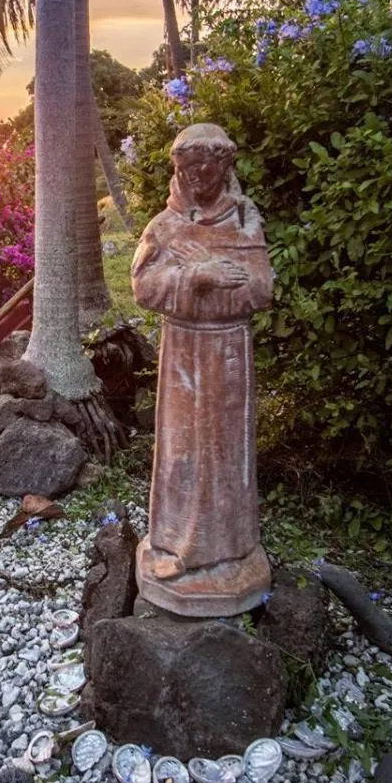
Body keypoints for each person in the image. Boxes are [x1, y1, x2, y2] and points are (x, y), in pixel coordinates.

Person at [131, 123, 273, 615]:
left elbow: (260, 289)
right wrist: (198, 275)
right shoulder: (164, 226)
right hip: (183, 355)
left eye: (206, 169)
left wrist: (224, 279)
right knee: (184, 449)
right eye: (187, 169)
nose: (196, 179)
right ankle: (178, 544)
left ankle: (230, 550)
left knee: (226, 449)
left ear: (224, 167)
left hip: (230, 353)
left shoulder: (245, 222)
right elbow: (144, 286)